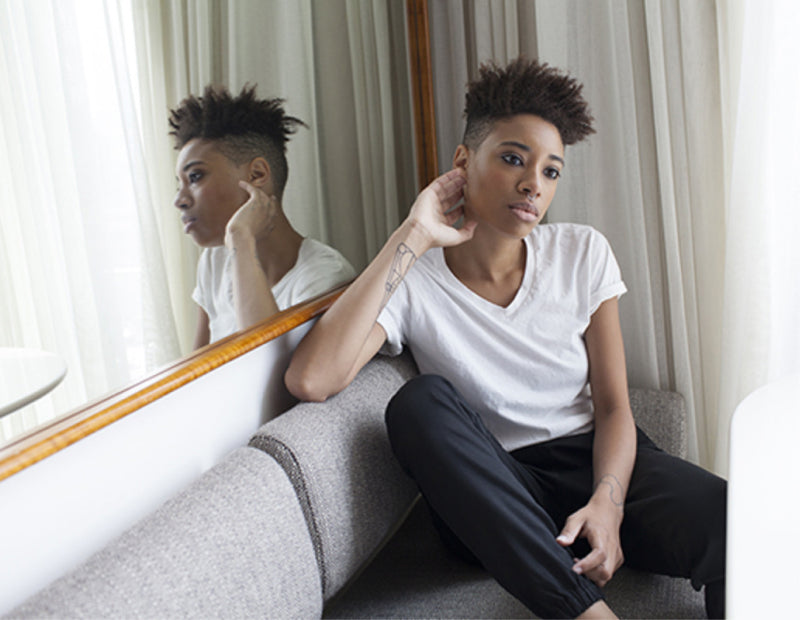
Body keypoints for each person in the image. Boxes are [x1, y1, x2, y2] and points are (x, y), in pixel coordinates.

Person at [285, 58, 726, 619]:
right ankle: (586, 613)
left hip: (592, 463)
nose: (532, 185)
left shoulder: (581, 253)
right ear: (463, 162)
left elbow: (615, 406)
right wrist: (414, 233)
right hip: (491, 491)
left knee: (740, 524)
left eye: (551, 171)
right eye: (514, 159)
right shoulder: (414, 277)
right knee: (418, 403)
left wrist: (607, 504)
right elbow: (311, 378)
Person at [169, 85, 356, 349]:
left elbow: (267, 367)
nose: (180, 200)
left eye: (195, 177)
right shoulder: (214, 261)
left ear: (257, 175)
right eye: (179, 184)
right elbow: (194, 373)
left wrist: (241, 239)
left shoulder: (323, 277)